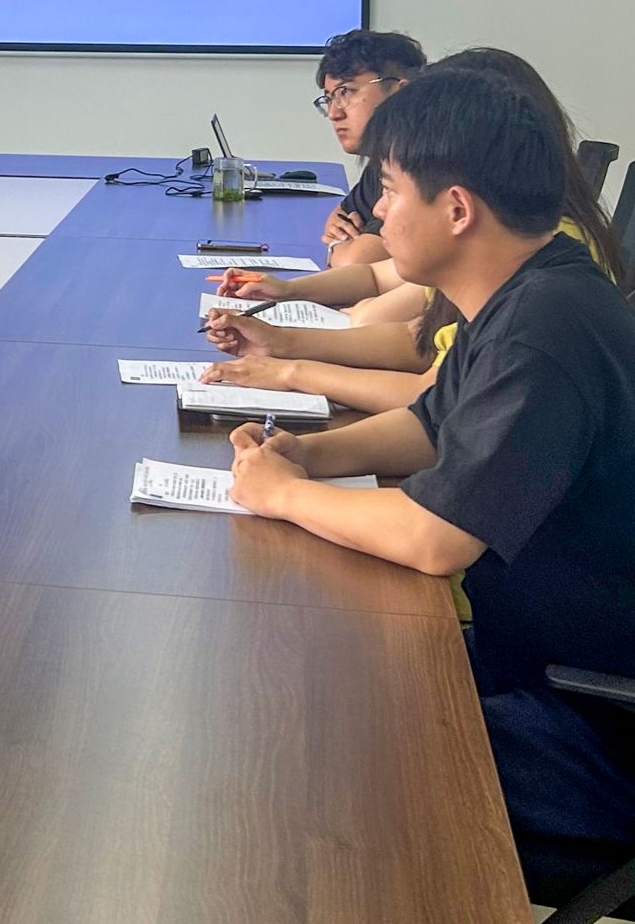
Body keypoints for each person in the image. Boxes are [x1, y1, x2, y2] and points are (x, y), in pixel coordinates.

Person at [222, 68, 635, 903]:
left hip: (594, 730)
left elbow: (435, 537)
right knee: (311, 688)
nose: (376, 213)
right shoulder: (526, 289)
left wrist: (281, 494)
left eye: (391, 189)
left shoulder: (545, 329)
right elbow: (427, 425)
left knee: (312, 771)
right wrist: (305, 455)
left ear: (456, 209)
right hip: (540, 666)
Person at [203, 47, 620, 413]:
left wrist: (292, 371)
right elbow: (419, 341)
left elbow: (432, 397)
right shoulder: (505, 249)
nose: (380, 208)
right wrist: (280, 340)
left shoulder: (527, 268)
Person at [314, 29, 426, 268]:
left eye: (345, 92)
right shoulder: (382, 158)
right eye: (329, 99)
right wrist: (342, 241)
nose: (334, 113)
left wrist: (336, 246)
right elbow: (339, 217)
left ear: (399, 91)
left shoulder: (418, 163)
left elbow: (354, 263)